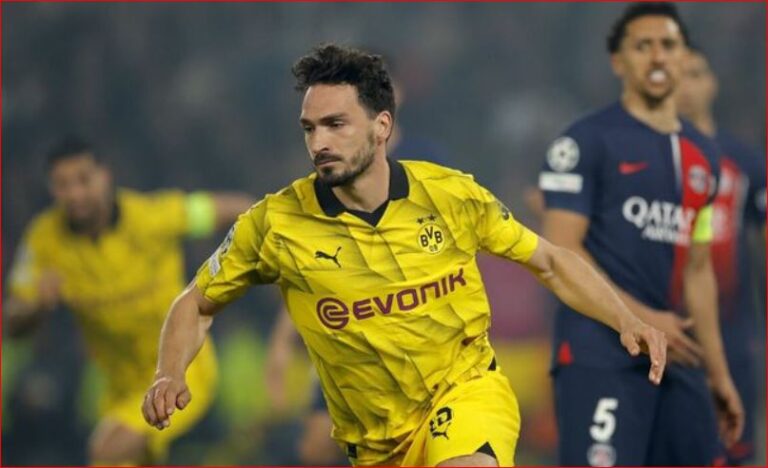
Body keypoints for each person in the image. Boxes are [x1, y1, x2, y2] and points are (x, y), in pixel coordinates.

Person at [142, 44, 666, 467]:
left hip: (465, 393)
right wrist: (169, 373)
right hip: (375, 444)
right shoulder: (274, 224)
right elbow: (196, 302)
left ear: (382, 127)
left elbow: (549, 261)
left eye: (336, 125)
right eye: (310, 128)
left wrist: (625, 319)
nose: (319, 142)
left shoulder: (451, 195)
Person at [538, 3, 744, 466]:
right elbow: (561, 249)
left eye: (668, 45)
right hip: (600, 354)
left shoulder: (706, 156)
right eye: (642, 46)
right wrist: (644, 319)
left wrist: (718, 374)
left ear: (683, 57)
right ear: (619, 62)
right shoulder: (583, 142)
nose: (657, 57)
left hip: (677, 360)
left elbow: (698, 272)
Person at [5, 136, 254, 465]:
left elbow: (236, 208)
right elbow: (12, 322)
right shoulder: (43, 241)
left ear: (105, 175)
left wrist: (272, 246)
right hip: (120, 390)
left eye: (83, 180)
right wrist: (36, 306)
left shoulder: (153, 218)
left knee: (105, 451)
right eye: (63, 185)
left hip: (180, 369)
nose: (75, 194)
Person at [263, 61, 454, 466]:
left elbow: (454, 241)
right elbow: (311, 257)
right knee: (316, 447)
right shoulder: (335, 169)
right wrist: (282, 338)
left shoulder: (427, 161)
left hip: (413, 329)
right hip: (351, 330)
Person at [676, 47, 766, 465]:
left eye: (696, 74)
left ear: (713, 83)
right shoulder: (649, 158)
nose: (686, 86)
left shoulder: (745, 162)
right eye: (678, 75)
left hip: (734, 332)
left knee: (736, 450)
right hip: (669, 329)